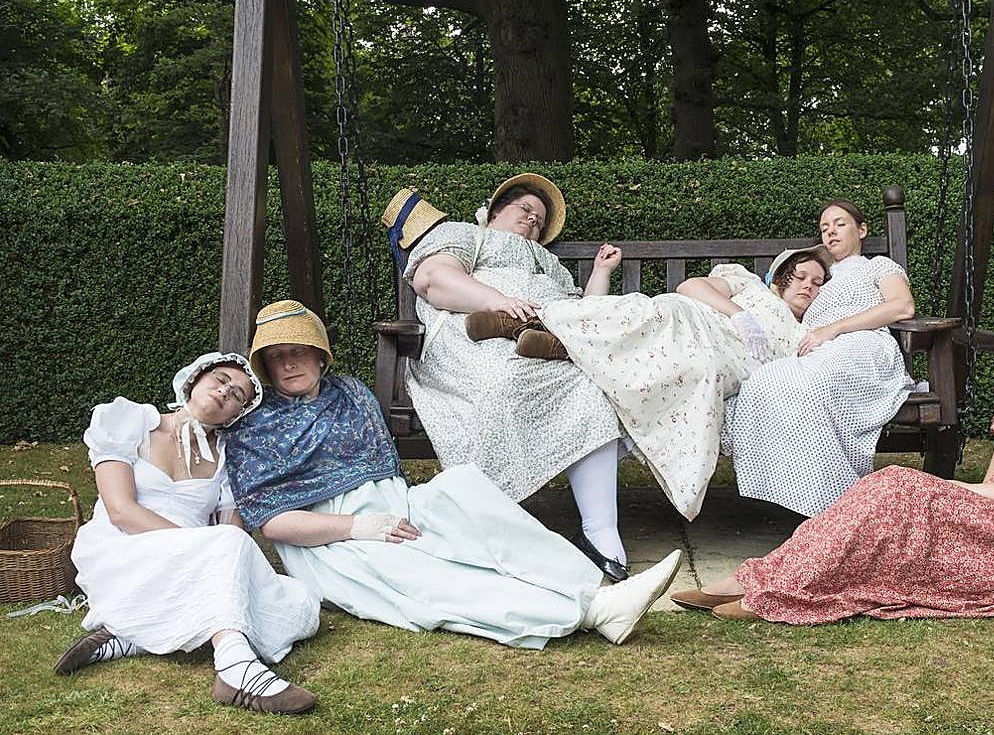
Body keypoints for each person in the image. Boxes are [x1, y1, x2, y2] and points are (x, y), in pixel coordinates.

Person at [223, 299, 682, 650]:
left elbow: (385, 471)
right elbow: (272, 521)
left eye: (299, 351)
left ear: (320, 354)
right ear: (263, 365)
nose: (289, 363)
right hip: (329, 536)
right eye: (277, 356)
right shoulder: (254, 426)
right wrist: (360, 527)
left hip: (392, 503)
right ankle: (594, 611)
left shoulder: (349, 392)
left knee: (463, 490)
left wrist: (395, 511)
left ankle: (587, 585)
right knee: (431, 575)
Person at [671, 312, 994, 624]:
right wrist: (956, 497)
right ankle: (771, 581)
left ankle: (766, 585)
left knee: (896, 485)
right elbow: (986, 489)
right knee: (889, 495)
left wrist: (955, 494)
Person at [386, 174, 631, 579]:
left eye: (539, 221)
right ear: (495, 211)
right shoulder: (465, 235)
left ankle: (600, 531)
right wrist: (501, 302)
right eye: (526, 211)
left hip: (553, 338)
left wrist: (601, 273)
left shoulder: (549, 265)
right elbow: (434, 279)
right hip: (472, 335)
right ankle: (492, 525)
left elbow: (588, 316)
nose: (533, 222)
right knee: (506, 379)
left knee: (591, 387)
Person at [471, 247, 832, 520]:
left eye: (817, 283)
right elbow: (690, 286)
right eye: (800, 276)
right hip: (699, 321)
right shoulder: (748, 284)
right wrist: (739, 314)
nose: (808, 287)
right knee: (658, 309)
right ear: (780, 275)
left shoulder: (804, 333)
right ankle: (529, 321)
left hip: (725, 359)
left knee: (696, 368)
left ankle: (561, 344)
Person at [54, 353, 321, 715]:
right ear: (195, 379)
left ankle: (135, 637)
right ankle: (235, 665)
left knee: (301, 603)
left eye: (238, 395)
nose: (227, 391)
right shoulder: (129, 421)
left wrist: (210, 556)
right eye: (221, 378)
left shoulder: (227, 458)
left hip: (194, 566)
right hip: (123, 551)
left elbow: (232, 533)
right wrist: (199, 546)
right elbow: (121, 511)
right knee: (228, 547)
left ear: (235, 414)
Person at [722, 198, 917, 516]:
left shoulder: (877, 266)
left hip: (862, 346)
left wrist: (834, 329)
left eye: (840, 224)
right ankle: (810, 496)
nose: (831, 232)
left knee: (808, 383)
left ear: (862, 230)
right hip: (818, 351)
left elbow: (902, 306)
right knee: (767, 380)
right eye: (825, 228)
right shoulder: (820, 280)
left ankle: (836, 504)